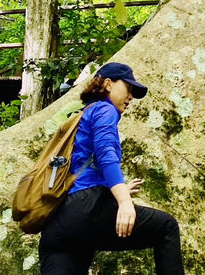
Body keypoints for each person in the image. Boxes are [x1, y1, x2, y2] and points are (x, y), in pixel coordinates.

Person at [39, 62, 184, 275]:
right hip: (86, 209)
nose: (131, 97)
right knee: (166, 228)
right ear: (108, 84)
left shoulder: (81, 114)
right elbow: (105, 155)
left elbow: (82, 167)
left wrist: (120, 187)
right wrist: (124, 201)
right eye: (128, 88)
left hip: (58, 222)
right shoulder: (104, 109)